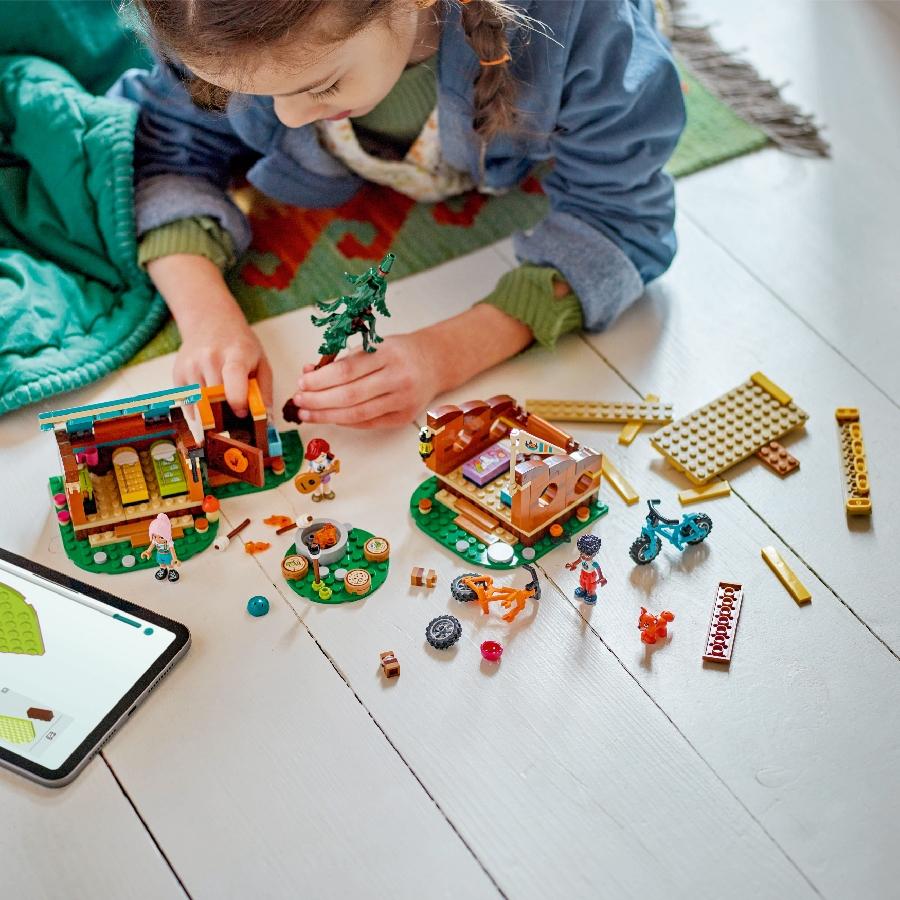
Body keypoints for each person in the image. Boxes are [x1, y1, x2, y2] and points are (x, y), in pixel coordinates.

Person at [113, 0, 685, 426]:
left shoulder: (580, 26)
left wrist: (446, 353)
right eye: (243, 94)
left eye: (322, 85)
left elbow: (623, 220)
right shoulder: (200, 18)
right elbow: (161, 149)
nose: (287, 118)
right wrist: (206, 318)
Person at [565, 533, 606, 604]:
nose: (584, 556)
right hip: (583, 572)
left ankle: (592, 594)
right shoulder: (582, 557)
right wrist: (573, 564)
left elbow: (598, 569)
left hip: (590, 575)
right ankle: (583, 589)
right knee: (582, 582)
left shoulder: (593, 563)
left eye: (587, 555)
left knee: (590, 586)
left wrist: (601, 577)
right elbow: (578, 561)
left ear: (593, 554)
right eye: (582, 553)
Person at [141, 513, 180, 582]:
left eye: (161, 537)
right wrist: (147, 552)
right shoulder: (155, 541)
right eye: (155, 536)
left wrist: (174, 559)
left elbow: (172, 550)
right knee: (161, 564)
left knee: (170, 564)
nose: (158, 539)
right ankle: (163, 569)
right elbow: (151, 546)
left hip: (167, 555)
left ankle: (171, 571)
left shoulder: (169, 542)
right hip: (159, 555)